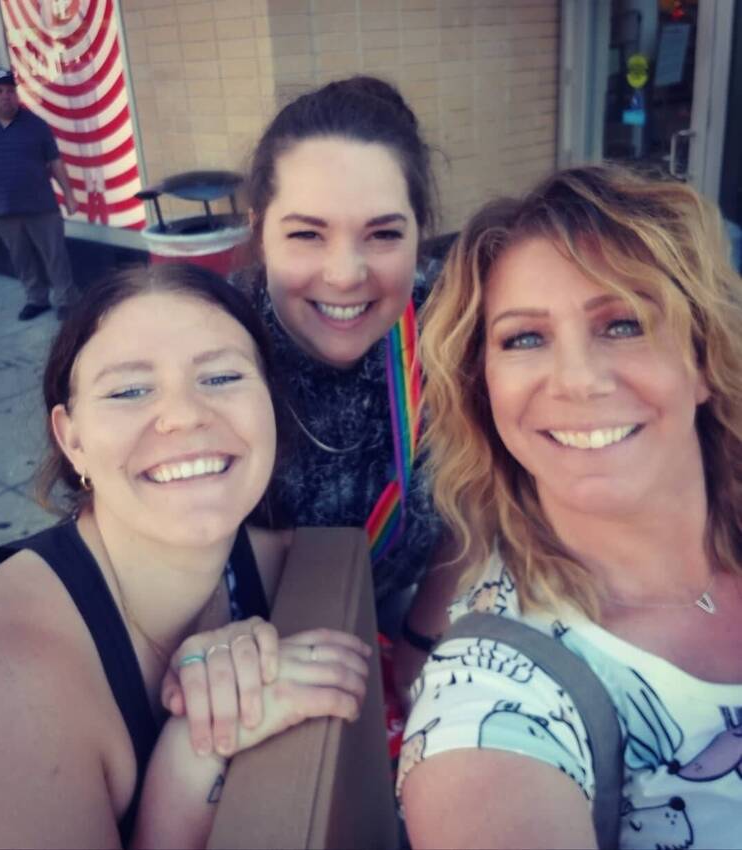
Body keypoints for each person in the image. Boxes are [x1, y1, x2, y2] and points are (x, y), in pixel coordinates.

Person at [398, 166, 742, 849]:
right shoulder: (493, 695)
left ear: (703, 361)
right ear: (484, 393)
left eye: (623, 323)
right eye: (524, 338)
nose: (579, 380)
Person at [0, 263, 370, 848]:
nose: (186, 414)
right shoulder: (12, 687)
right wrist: (189, 756)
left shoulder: (288, 562)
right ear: (72, 439)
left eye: (221, 377)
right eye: (129, 390)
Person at [241, 75, 458, 699]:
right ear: (260, 230)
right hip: (251, 643)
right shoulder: (207, 349)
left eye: (384, 234)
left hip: (410, 611)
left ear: (420, 231)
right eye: (307, 234)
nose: (345, 274)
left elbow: (480, 498)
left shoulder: (456, 325)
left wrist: (421, 636)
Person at [0, 67, 77, 321]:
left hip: (41, 206)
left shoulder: (36, 125)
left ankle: (65, 300)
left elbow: (55, 162)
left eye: (10, 90)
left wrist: (70, 196)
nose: (6, 96)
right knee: (22, 259)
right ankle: (36, 298)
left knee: (55, 256)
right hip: (3, 209)